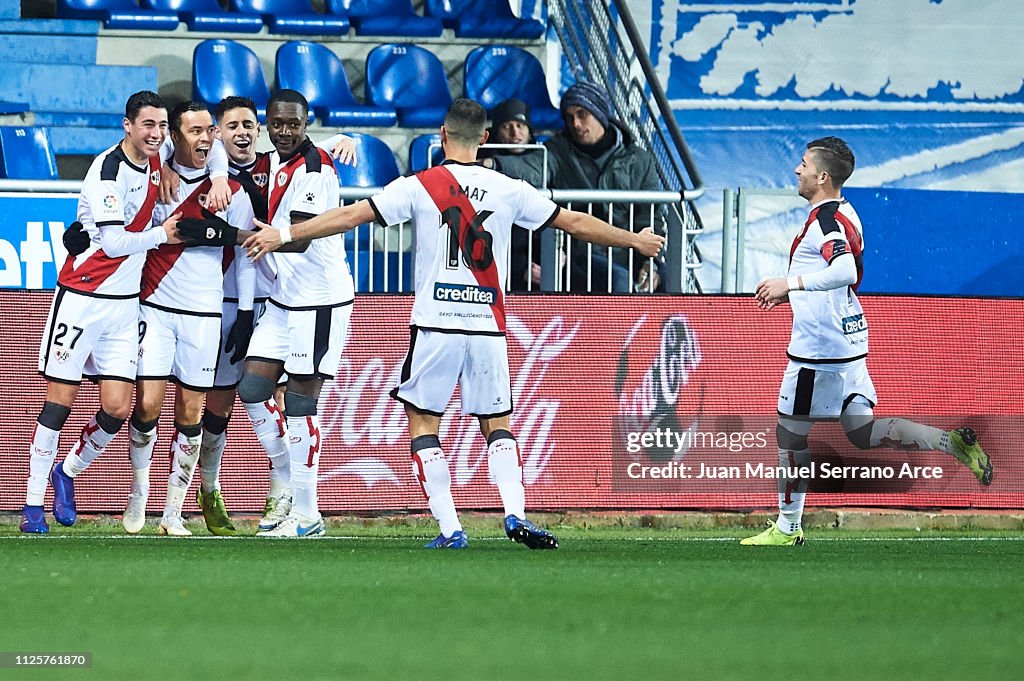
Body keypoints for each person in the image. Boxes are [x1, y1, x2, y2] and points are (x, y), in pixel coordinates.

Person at [241, 98, 665, 549]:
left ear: (442, 136)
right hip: (487, 324)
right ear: (485, 140)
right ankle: (515, 513)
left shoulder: (421, 184)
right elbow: (574, 223)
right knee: (497, 424)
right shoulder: (509, 187)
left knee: (424, 425)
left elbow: (350, 216)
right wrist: (633, 240)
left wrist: (283, 233)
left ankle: (450, 528)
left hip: (435, 325)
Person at [742, 136, 993, 547]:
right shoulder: (846, 211)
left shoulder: (824, 221)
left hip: (818, 351)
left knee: (789, 435)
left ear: (822, 176)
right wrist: (796, 291)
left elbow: (841, 269)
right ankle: (951, 443)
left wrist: (791, 282)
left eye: (803, 164)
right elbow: (843, 272)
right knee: (861, 431)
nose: (797, 170)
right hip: (850, 338)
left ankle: (787, 528)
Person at [181, 89, 352, 539]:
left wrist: (233, 233)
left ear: (306, 122)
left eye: (294, 124)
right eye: (278, 124)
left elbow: (299, 236)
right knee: (254, 388)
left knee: (298, 403)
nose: (285, 131)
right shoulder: (276, 160)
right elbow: (214, 147)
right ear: (267, 126)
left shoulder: (315, 169)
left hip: (318, 298)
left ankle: (308, 514)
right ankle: (289, 486)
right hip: (284, 296)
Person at [20, 90, 182, 533]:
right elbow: (112, 243)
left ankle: (66, 472)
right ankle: (33, 505)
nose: (157, 134)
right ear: (127, 125)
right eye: (148, 125)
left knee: (116, 409)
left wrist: (178, 166)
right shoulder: (107, 173)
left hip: (124, 308)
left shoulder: (158, 152)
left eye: (162, 126)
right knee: (59, 404)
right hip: (83, 297)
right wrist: (162, 235)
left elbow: (201, 142)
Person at [121, 100, 257, 537]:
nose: (204, 138)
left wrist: (245, 312)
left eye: (208, 131)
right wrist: (161, 165)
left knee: (192, 410)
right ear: (175, 137)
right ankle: (139, 490)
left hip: (204, 313)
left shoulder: (230, 192)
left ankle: (173, 512)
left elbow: (247, 256)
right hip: (156, 307)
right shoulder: (154, 179)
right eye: (193, 131)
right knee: (146, 405)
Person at [494, 81, 665, 293]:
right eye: (569, 117)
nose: (575, 123)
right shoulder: (557, 151)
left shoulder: (639, 159)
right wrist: (494, 165)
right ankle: (619, 328)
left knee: (663, 280)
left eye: (582, 114)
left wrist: (651, 263)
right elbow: (531, 168)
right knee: (617, 280)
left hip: (629, 250)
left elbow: (650, 218)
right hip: (581, 250)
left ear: (600, 114)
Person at [479, 98, 545, 291]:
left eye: (520, 125)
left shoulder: (546, 160)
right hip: (503, 261)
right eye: (507, 126)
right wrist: (519, 268)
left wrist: (559, 256)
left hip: (543, 258)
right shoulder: (483, 164)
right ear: (496, 132)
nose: (515, 133)